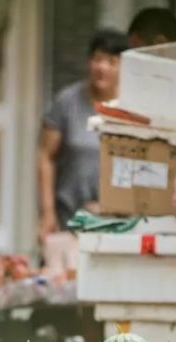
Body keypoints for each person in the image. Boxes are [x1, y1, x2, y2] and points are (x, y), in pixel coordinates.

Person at [38, 28, 128, 248]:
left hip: (118, 223)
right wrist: (47, 213)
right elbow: (45, 156)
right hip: (68, 218)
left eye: (112, 62)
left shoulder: (132, 108)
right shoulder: (66, 102)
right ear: (88, 62)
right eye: (97, 59)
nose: (102, 67)